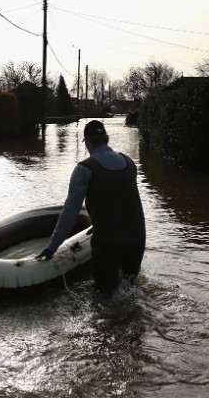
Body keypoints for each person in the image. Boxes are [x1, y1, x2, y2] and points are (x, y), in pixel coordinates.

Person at [36, 119, 146, 295]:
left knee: (104, 298)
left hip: (108, 243)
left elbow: (70, 213)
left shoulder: (84, 169)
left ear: (87, 143)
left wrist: (52, 247)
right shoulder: (129, 163)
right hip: (137, 238)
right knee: (131, 289)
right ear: (107, 139)